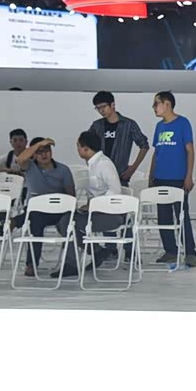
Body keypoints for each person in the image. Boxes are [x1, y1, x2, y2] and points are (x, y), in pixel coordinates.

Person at [54, 131, 123, 278]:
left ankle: (72, 264)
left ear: (85, 148)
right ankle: (97, 251)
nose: (77, 149)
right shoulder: (92, 164)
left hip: (110, 215)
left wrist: (94, 206)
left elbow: (116, 191)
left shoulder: (103, 164)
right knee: (62, 222)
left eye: (78, 146)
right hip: (97, 212)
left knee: (66, 222)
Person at [148, 91, 196, 267]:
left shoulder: (183, 123)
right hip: (160, 178)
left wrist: (188, 175)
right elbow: (156, 152)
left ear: (167, 104)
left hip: (178, 179)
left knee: (182, 216)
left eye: (156, 103)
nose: (154, 107)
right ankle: (170, 250)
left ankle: (190, 252)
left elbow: (190, 150)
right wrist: (151, 175)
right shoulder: (159, 126)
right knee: (163, 217)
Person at [14, 137, 75, 276]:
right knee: (34, 218)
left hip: (58, 211)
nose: (44, 154)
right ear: (34, 154)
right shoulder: (30, 166)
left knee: (31, 216)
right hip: (37, 212)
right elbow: (20, 159)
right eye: (39, 151)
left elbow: (71, 194)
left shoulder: (63, 169)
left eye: (46, 150)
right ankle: (32, 264)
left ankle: (13, 222)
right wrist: (39, 144)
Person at [88, 91, 150, 186]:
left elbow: (144, 145)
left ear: (112, 105)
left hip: (120, 176)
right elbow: (85, 144)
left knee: (120, 195)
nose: (101, 111)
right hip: (100, 176)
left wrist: (133, 168)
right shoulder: (97, 125)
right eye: (98, 108)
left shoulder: (129, 124)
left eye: (103, 106)